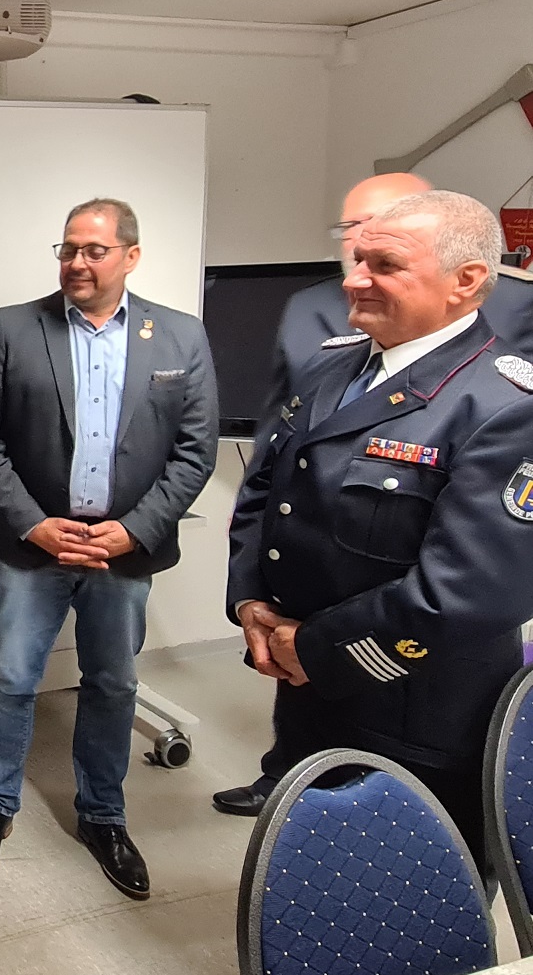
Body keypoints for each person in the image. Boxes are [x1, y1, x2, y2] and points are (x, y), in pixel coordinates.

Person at [226, 190, 533, 868]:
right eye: (357, 258)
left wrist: (312, 647)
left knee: (410, 899)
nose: (353, 279)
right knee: (310, 877)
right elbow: (266, 492)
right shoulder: (334, 363)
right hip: (305, 689)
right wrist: (249, 602)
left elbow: (469, 592)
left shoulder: (505, 407)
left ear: (465, 281)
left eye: (383, 264)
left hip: (413, 713)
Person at [0, 199, 218, 900]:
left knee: (112, 683)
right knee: (8, 677)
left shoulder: (180, 335)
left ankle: (103, 814)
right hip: (32, 546)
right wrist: (32, 523)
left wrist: (134, 529)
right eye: (67, 249)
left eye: (93, 250)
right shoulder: (12, 327)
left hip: (120, 551)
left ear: (130, 256)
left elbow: (195, 451)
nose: (76, 262)